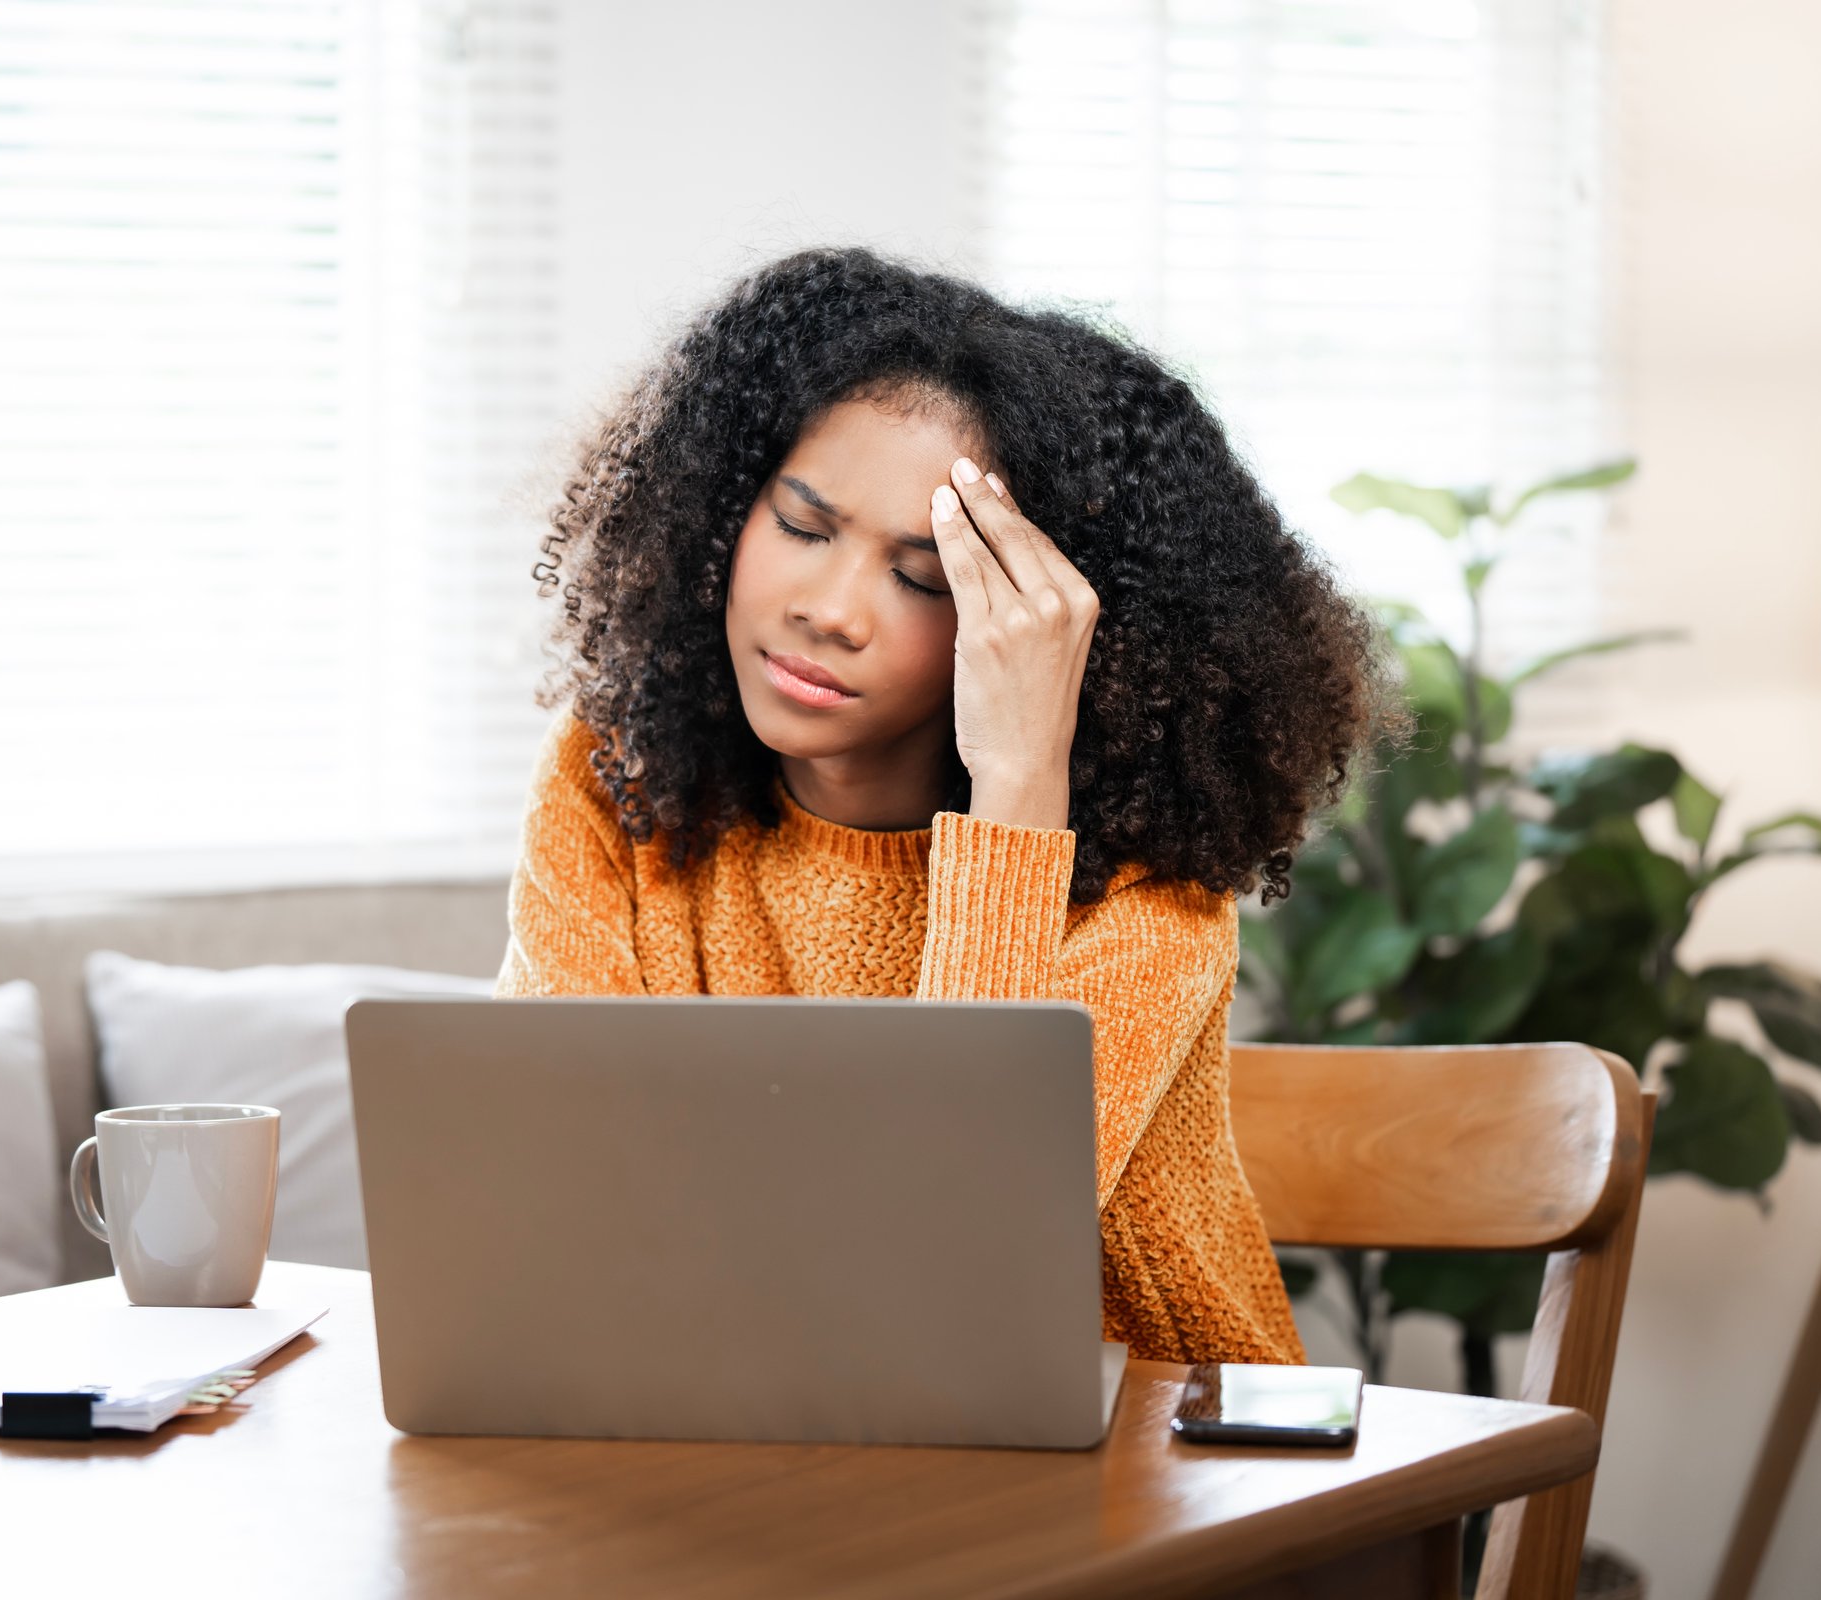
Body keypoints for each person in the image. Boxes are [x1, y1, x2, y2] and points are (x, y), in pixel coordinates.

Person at [498, 244, 1389, 1365]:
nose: (829, 610)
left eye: (924, 579)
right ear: (723, 508)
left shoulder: (1147, 894)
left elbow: (940, 1253)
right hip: (754, 1421)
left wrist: (1020, 788)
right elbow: (560, 1190)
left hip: (1161, 1465)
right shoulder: (613, 780)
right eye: (804, 526)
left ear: (1049, 628)